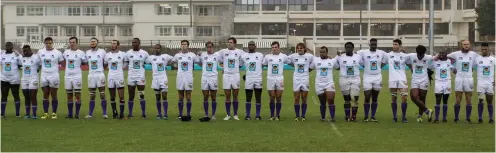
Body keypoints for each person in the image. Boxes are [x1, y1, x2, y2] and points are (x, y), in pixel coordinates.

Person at [443, 40, 480, 123]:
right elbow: (445, 57)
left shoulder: (474, 54)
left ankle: (468, 118)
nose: (466, 46)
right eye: (464, 44)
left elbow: (481, 61)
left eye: (467, 44)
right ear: (461, 45)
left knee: (468, 99)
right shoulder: (456, 54)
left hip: (469, 78)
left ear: (469, 45)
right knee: (458, 99)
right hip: (459, 78)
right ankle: (456, 118)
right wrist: (452, 67)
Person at [357, 38, 386, 122]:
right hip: (367, 77)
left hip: (377, 77)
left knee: (375, 98)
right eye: (372, 44)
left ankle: (373, 116)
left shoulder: (381, 53)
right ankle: (366, 116)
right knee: (367, 96)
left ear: (377, 44)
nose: (373, 45)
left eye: (375, 44)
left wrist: (380, 67)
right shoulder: (363, 52)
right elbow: (355, 56)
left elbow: (386, 61)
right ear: (369, 44)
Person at [382, 39, 410, 123]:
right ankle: (394, 117)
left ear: (400, 45)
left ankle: (404, 117)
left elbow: (410, 65)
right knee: (393, 99)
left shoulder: (404, 56)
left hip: (402, 79)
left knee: (404, 98)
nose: (394, 46)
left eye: (396, 44)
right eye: (393, 44)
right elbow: (382, 64)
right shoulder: (388, 55)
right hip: (392, 80)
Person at [405, 45, 434, 123]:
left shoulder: (429, 57)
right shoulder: (411, 56)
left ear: (424, 53)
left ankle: (420, 116)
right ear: (416, 52)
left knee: (422, 98)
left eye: (421, 55)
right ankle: (428, 111)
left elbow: (435, 60)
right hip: (415, 79)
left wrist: (430, 70)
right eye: (419, 55)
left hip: (424, 80)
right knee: (413, 97)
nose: (420, 57)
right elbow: (405, 61)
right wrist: (411, 68)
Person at [263, 41, 290, 121]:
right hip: (270, 78)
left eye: (276, 47)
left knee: (278, 97)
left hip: (279, 78)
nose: (274, 49)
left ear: (279, 48)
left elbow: (291, 62)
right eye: (273, 47)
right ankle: (271, 115)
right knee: (271, 97)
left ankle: (277, 115)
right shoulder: (268, 56)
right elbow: (263, 64)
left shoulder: (283, 56)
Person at [218, 37, 244, 121]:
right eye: (228, 42)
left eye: (231, 42)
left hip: (235, 75)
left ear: (235, 44)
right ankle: (228, 114)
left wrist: (239, 66)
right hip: (226, 75)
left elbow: (246, 58)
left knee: (235, 95)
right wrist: (222, 66)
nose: (229, 43)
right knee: (227, 95)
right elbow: (215, 57)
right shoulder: (223, 51)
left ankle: (235, 114)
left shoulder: (239, 52)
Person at [335, 42, 363, 121]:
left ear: (353, 48)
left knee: (354, 98)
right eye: (347, 47)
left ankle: (353, 116)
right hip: (344, 79)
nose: (348, 49)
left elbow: (364, 64)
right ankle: (347, 116)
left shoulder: (358, 57)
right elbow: (336, 66)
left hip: (355, 79)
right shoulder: (340, 57)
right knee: (347, 99)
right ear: (345, 48)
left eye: (350, 47)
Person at [38, 37, 64, 119]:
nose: (48, 45)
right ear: (44, 43)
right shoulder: (40, 52)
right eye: (47, 43)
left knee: (53, 94)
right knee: (45, 94)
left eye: (50, 43)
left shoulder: (58, 53)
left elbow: (63, 63)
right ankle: (45, 113)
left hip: (54, 75)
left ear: (52, 43)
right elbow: (38, 63)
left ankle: (54, 113)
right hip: (44, 75)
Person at [310, 46, 338, 122]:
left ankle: (332, 117)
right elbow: (310, 68)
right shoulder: (316, 60)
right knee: (322, 102)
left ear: (327, 52)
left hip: (329, 83)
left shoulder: (332, 61)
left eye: (323, 52)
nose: (322, 53)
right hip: (319, 84)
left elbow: (338, 67)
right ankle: (323, 117)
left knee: (330, 99)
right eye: (321, 52)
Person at [147, 44, 173, 120]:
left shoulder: (165, 56)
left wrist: (169, 63)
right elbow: (143, 61)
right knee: (157, 97)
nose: (156, 49)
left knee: (164, 96)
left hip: (163, 78)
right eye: (155, 48)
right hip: (155, 79)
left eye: (158, 48)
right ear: (153, 49)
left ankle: (165, 114)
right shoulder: (150, 58)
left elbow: (174, 59)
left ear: (160, 49)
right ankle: (159, 114)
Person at [172, 40, 197, 119]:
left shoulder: (192, 55)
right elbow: (171, 62)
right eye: (182, 44)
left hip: (189, 77)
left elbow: (199, 62)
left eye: (185, 44)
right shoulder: (177, 55)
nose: (183, 46)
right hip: (180, 77)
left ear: (188, 46)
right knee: (180, 96)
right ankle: (180, 114)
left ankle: (189, 114)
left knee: (188, 96)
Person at [288, 43, 314, 121]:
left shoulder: (309, 56)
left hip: (305, 79)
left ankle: (303, 116)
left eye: (301, 48)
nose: (299, 49)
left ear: (304, 49)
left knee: (304, 98)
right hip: (296, 79)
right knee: (296, 98)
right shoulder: (293, 56)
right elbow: (286, 60)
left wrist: (309, 69)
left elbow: (315, 62)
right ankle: (297, 116)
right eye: (298, 48)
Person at [125, 38, 149, 119]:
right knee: (131, 96)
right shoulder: (128, 53)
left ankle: (143, 113)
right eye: (132, 42)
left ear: (139, 43)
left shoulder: (144, 53)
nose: (133, 44)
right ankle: (130, 114)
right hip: (131, 76)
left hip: (140, 76)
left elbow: (148, 62)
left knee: (141, 95)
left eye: (135, 42)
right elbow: (126, 63)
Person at [63, 37, 87, 119]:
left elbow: (85, 62)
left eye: (73, 42)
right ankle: (70, 114)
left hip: (77, 76)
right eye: (70, 42)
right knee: (69, 95)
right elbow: (63, 62)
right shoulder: (65, 52)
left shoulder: (81, 53)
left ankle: (77, 114)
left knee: (77, 95)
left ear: (77, 43)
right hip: (67, 76)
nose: (71, 44)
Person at [84, 38, 107, 119]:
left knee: (102, 94)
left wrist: (101, 69)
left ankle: (104, 113)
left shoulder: (102, 51)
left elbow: (105, 63)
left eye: (94, 41)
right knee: (92, 95)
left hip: (100, 74)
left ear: (97, 43)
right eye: (91, 41)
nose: (92, 43)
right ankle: (90, 114)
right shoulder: (87, 52)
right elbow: (86, 63)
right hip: (91, 75)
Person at [197, 42, 221, 119]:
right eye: (208, 47)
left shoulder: (217, 55)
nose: (209, 49)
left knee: (213, 97)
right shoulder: (203, 55)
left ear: (213, 47)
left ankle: (213, 115)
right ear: (206, 48)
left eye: (210, 47)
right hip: (205, 78)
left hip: (213, 78)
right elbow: (200, 63)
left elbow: (223, 62)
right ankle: (206, 114)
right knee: (205, 96)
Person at [241, 41, 264, 120]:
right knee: (248, 97)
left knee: (258, 97)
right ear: (248, 46)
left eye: (252, 45)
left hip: (258, 79)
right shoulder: (244, 56)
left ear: (255, 46)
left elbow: (264, 64)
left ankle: (257, 115)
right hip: (249, 79)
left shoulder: (260, 55)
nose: (251, 46)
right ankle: (248, 115)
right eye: (249, 45)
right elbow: (239, 65)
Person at [105, 40, 128, 119]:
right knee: (112, 97)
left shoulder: (123, 54)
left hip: (119, 76)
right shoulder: (107, 55)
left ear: (118, 45)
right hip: (110, 76)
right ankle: (114, 113)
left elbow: (126, 62)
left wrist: (122, 68)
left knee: (121, 96)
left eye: (114, 44)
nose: (112, 45)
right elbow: (105, 64)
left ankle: (121, 114)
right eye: (111, 44)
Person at [430, 50, 454, 123]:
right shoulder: (435, 62)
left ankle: (444, 118)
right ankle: (436, 118)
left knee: (445, 100)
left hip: (447, 82)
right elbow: (429, 67)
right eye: (440, 53)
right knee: (438, 99)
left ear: (446, 54)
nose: (441, 54)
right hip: (438, 82)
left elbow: (454, 69)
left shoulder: (449, 62)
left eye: (442, 53)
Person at [0, 42, 23, 118]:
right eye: (6, 46)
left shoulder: (16, 55)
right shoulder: (2, 55)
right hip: (4, 79)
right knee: (4, 96)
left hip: (14, 79)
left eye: (9, 46)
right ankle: (2, 114)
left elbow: (22, 63)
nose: (8, 47)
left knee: (16, 95)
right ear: (5, 46)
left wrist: (19, 55)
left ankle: (17, 114)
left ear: (12, 47)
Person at [474, 43, 494, 124]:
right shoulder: (477, 59)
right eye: (483, 49)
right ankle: (480, 118)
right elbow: (471, 68)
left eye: (486, 49)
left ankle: (491, 118)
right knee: (481, 100)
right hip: (481, 83)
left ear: (489, 49)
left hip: (490, 83)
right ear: (480, 50)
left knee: (490, 101)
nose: (484, 51)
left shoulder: (493, 59)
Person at [20, 45, 40, 119]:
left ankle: (34, 114)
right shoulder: (22, 58)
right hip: (24, 79)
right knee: (26, 97)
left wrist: (36, 71)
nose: (25, 52)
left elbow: (40, 65)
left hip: (33, 78)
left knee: (33, 96)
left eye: (26, 51)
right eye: (24, 51)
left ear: (30, 50)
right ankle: (27, 114)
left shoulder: (36, 57)